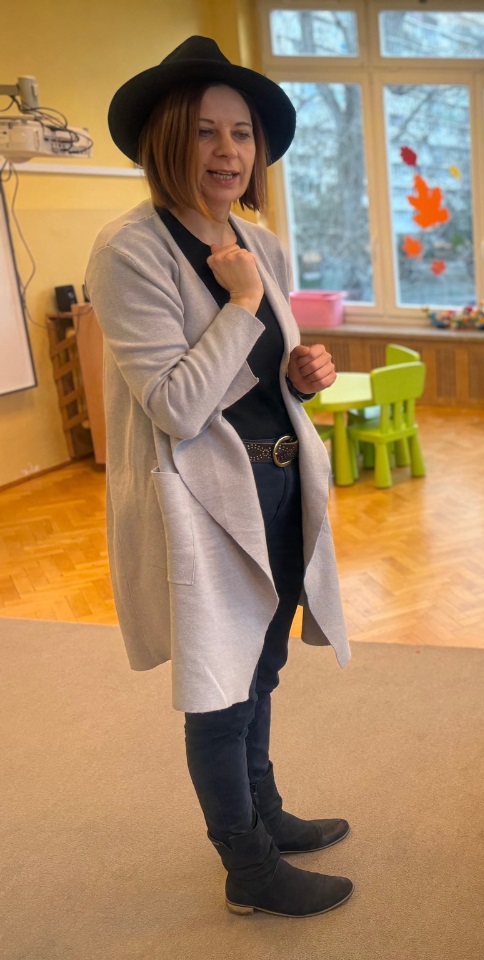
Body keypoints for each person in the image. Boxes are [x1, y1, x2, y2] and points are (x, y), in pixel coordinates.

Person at [86, 37, 351, 917]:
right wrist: (241, 304)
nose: (228, 151)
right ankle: (247, 866)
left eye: (241, 134)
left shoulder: (258, 241)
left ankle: (266, 814)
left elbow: (258, 377)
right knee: (219, 687)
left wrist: (301, 375)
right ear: (166, 139)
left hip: (278, 485)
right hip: (201, 500)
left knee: (262, 667)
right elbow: (176, 404)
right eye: (205, 132)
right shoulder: (129, 250)